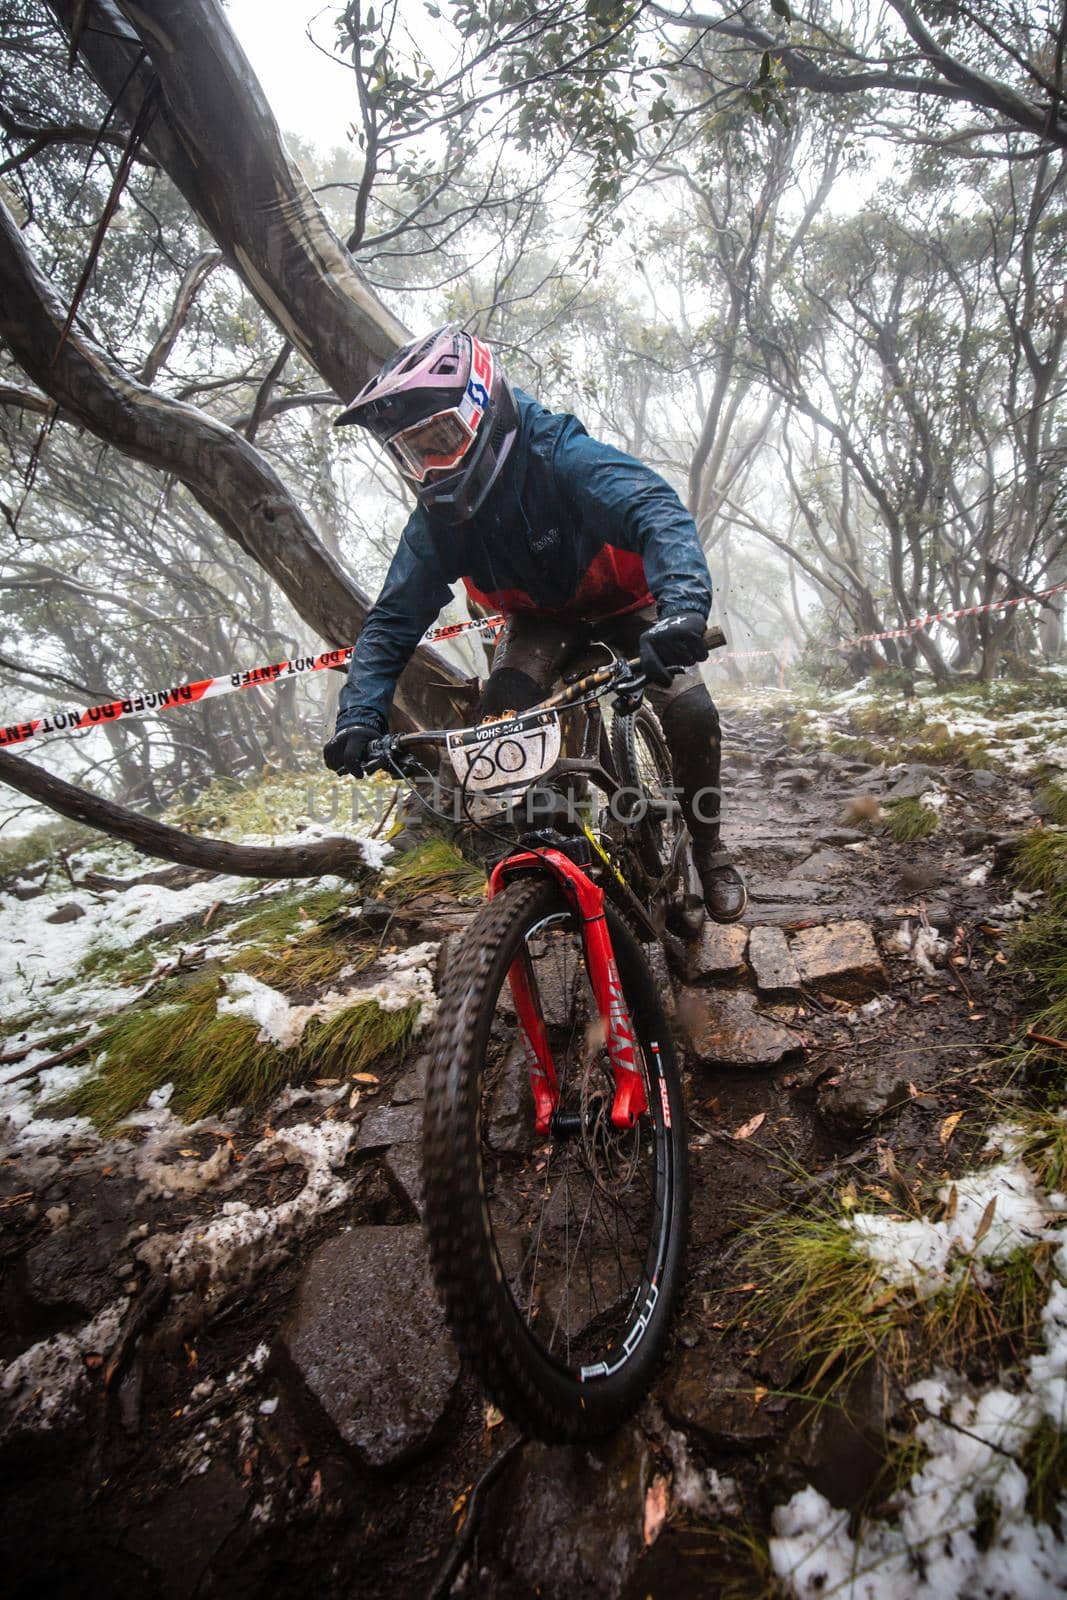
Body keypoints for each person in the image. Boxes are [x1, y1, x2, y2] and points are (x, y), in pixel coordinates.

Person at [323, 325, 747, 923]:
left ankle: (708, 849)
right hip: (537, 622)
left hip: (630, 603)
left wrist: (680, 609)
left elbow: (654, 508)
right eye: (413, 453)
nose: (433, 467)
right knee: (499, 730)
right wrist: (360, 716)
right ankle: (545, 877)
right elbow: (393, 618)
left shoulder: (557, 452)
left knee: (692, 713)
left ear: (481, 409)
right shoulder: (437, 522)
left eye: (441, 438)